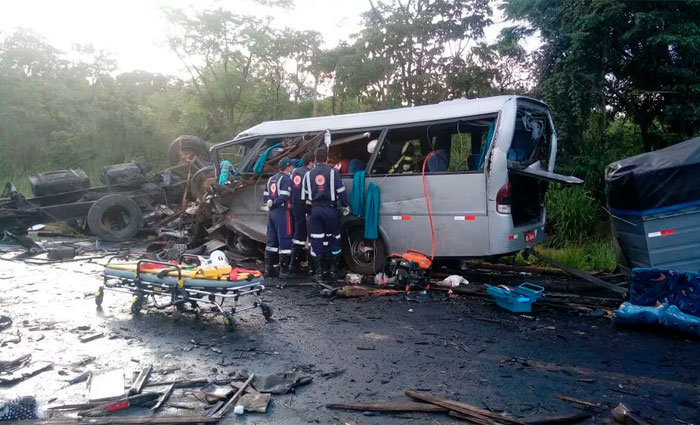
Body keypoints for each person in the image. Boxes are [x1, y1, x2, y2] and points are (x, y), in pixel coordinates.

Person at [302, 147, 349, 283]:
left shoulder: (308, 175)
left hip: (315, 211)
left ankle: (319, 273)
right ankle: (332, 270)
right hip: (330, 210)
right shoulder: (333, 173)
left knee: (316, 240)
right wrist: (345, 205)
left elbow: (305, 197)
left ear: (315, 159)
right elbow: (341, 191)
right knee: (334, 238)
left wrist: (308, 211)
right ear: (327, 158)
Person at [263, 157, 295, 279]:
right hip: (283, 212)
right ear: (287, 167)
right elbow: (285, 196)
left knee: (271, 240)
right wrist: (276, 202)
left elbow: (265, 195)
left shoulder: (271, 179)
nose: (292, 168)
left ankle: (269, 269)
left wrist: (270, 202)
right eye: (291, 166)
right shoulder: (286, 179)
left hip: (271, 213)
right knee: (285, 239)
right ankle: (284, 271)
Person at [289, 152, 315, 275]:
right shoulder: (308, 174)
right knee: (308, 235)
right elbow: (309, 191)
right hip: (304, 207)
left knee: (297, 233)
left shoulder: (294, 172)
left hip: (294, 206)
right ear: (311, 162)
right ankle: (310, 265)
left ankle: (294, 263)